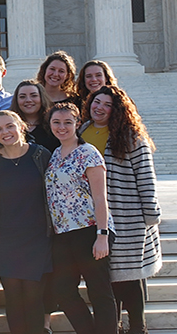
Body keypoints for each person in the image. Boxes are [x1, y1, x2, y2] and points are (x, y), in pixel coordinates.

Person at [79, 87, 161, 334]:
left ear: (118, 111)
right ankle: (111, 326)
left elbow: (146, 178)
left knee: (130, 276)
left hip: (128, 216)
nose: (99, 107)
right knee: (107, 277)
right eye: (97, 101)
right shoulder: (82, 131)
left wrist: (151, 215)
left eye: (107, 105)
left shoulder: (132, 137)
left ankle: (138, 326)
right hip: (94, 217)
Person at [45, 102, 117, 334]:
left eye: (68, 122)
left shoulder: (88, 153)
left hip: (90, 230)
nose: (62, 127)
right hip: (63, 234)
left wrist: (102, 235)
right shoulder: (55, 154)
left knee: (99, 291)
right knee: (63, 290)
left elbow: (100, 197)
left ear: (77, 123)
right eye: (56, 122)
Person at [0, 110, 53, 334]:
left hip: (37, 238)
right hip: (5, 240)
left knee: (33, 296)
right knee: (13, 298)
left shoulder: (40, 155)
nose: (6, 132)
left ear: (21, 126)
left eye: (10, 126)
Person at [10, 80, 58, 153]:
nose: (28, 100)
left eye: (34, 95)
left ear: (42, 98)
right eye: (22, 97)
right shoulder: (10, 127)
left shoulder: (54, 125)